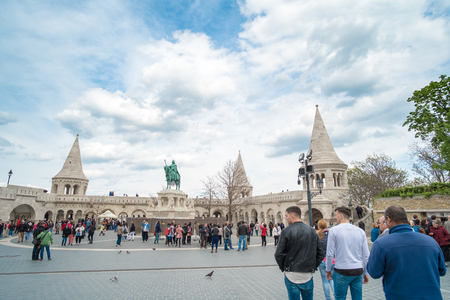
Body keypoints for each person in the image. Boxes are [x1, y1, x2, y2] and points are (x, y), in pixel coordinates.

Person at [367, 205, 446, 299]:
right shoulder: (431, 242)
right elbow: (442, 270)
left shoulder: (381, 244)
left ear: (388, 219)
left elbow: (374, 272)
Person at [275, 206, 324, 300]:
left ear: (292, 216)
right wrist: (313, 266)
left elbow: (278, 254)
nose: (286, 218)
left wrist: (284, 267)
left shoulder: (286, 231)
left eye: (286, 216)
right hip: (308, 273)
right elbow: (320, 253)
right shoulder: (312, 231)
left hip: (291, 273)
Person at [326, 207, 370, 300]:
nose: (335, 218)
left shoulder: (334, 231)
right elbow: (366, 255)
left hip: (341, 269)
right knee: (357, 298)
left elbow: (330, 253)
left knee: (340, 297)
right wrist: (366, 272)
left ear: (341, 216)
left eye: (336, 215)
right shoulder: (360, 231)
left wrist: (328, 269)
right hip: (357, 269)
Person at [317, 219, 335, 300]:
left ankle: (328, 298)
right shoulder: (332, 233)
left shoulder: (318, 235)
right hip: (333, 260)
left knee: (324, 280)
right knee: (332, 279)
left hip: (322, 260)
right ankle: (336, 295)